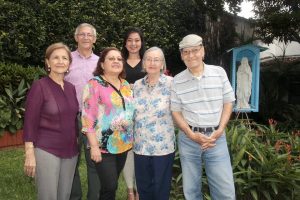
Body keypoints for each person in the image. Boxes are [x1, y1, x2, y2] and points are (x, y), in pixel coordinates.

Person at [171, 34, 236, 200]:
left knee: (225, 192)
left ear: (203, 51)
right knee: (191, 192)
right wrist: (191, 134)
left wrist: (220, 129)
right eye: (186, 52)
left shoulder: (219, 72)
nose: (191, 55)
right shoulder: (177, 81)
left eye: (195, 50)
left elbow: (228, 102)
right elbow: (176, 111)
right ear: (182, 55)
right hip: (189, 139)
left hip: (216, 138)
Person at [23, 42, 79, 200]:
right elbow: (30, 122)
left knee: (65, 195)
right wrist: (29, 153)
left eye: (64, 58)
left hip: (71, 151)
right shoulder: (39, 86)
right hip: (47, 149)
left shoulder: (71, 88)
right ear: (48, 62)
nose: (60, 61)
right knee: (48, 196)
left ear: (69, 63)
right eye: (55, 58)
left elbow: (73, 118)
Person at [81, 47, 135, 200]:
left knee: (111, 186)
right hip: (103, 145)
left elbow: (130, 112)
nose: (116, 61)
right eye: (111, 58)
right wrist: (94, 147)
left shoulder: (125, 84)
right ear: (102, 64)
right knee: (110, 186)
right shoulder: (94, 84)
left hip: (123, 144)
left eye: (119, 59)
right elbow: (87, 118)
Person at [133, 47, 175, 200]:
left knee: (160, 189)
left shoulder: (172, 84)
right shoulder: (137, 85)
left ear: (162, 64)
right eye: (148, 59)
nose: (152, 63)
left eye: (156, 59)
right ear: (144, 63)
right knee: (144, 188)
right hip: (140, 146)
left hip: (162, 147)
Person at [64, 23, 100, 200]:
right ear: (76, 37)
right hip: (71, 117)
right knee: (71, 161)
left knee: (95, 160)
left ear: (94, 39)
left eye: (89, 35)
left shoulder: (101, 62)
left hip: (94, 119)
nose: (86, 38)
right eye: (82, 34)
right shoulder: (66, 59)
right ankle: (74, 197)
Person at [121, 27, 146, 200]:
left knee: (141, 150)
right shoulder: (118, 61)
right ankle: (130, 190)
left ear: (141, 42)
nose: (133, 44)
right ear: (125, 43)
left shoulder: (148, 61)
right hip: (122, 114)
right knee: (127, 150)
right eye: (130, 40)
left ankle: (139, 188)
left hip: (145, 114)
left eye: (137, 40)